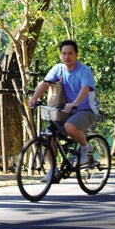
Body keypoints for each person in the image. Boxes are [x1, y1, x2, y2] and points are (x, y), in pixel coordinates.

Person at [27, 40, 99, 180]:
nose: (67, 56)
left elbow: (85, 88)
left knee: (70, 126)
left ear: (76, 55)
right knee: (46, 136)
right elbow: (45, 84)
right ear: (60, 56)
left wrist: (75, 103)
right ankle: (53, 170)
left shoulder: (84, 70)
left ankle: (86, 147)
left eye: (70, 53)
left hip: (86, 110)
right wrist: (33, 98)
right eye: (64, 53)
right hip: (66, 110)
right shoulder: (58, 69)